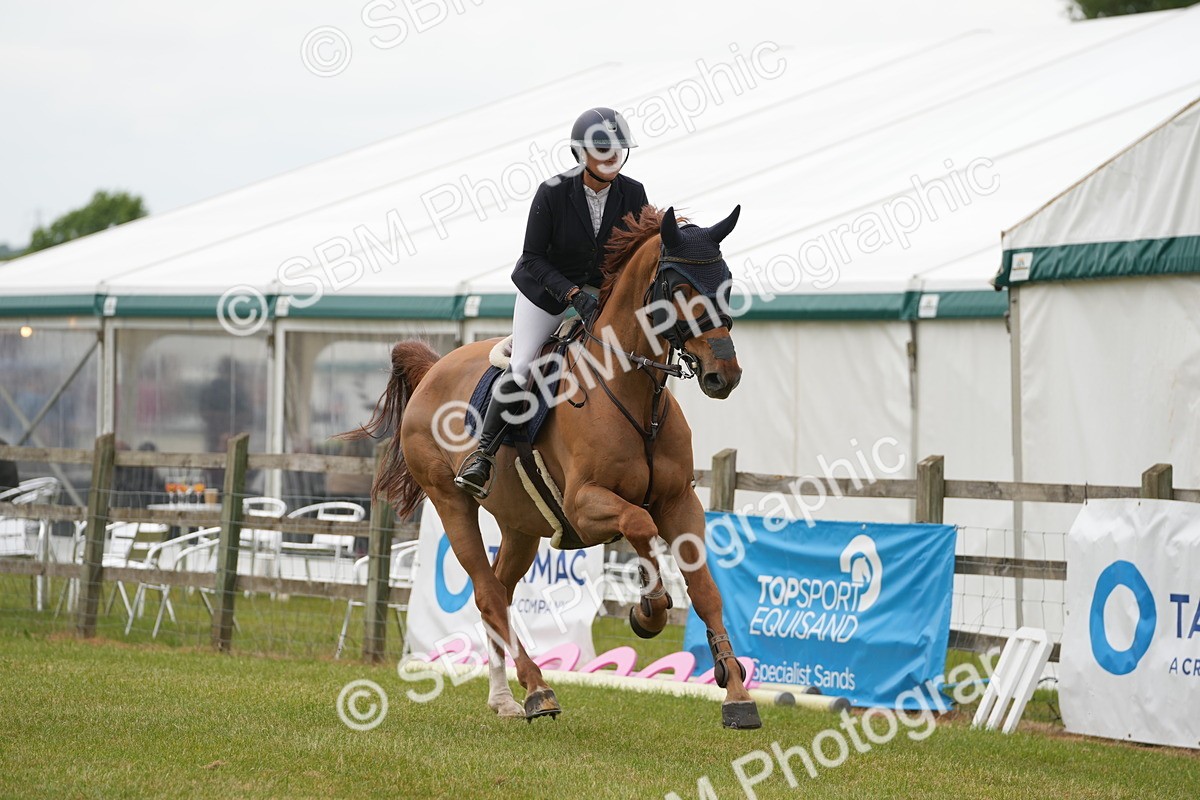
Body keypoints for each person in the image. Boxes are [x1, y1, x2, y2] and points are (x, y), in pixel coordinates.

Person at [455, 107, 650, 498]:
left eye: (617, 150)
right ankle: (483, 455)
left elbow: (637, 251)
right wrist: (572, 295)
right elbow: (531, 258)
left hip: (599, 295)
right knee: (524, 364)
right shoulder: (553, 192)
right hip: (545, 294)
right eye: (603, 150)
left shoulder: (634, 192)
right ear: (581, 153)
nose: (612, 157)